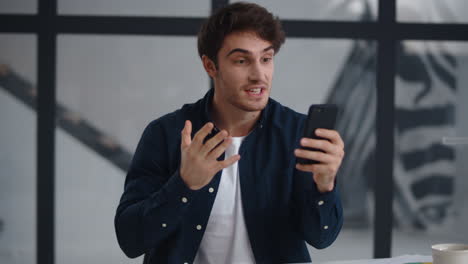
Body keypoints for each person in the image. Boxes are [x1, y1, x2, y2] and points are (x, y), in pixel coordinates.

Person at [115, 2, 345, 263]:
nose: (259, 75)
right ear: (211, 66)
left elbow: (321, 238)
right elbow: (130, 240)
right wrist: (184, 184)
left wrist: (325, 185)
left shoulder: (297, 135)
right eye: (241, 61)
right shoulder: (166, 134)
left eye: (266, 59)